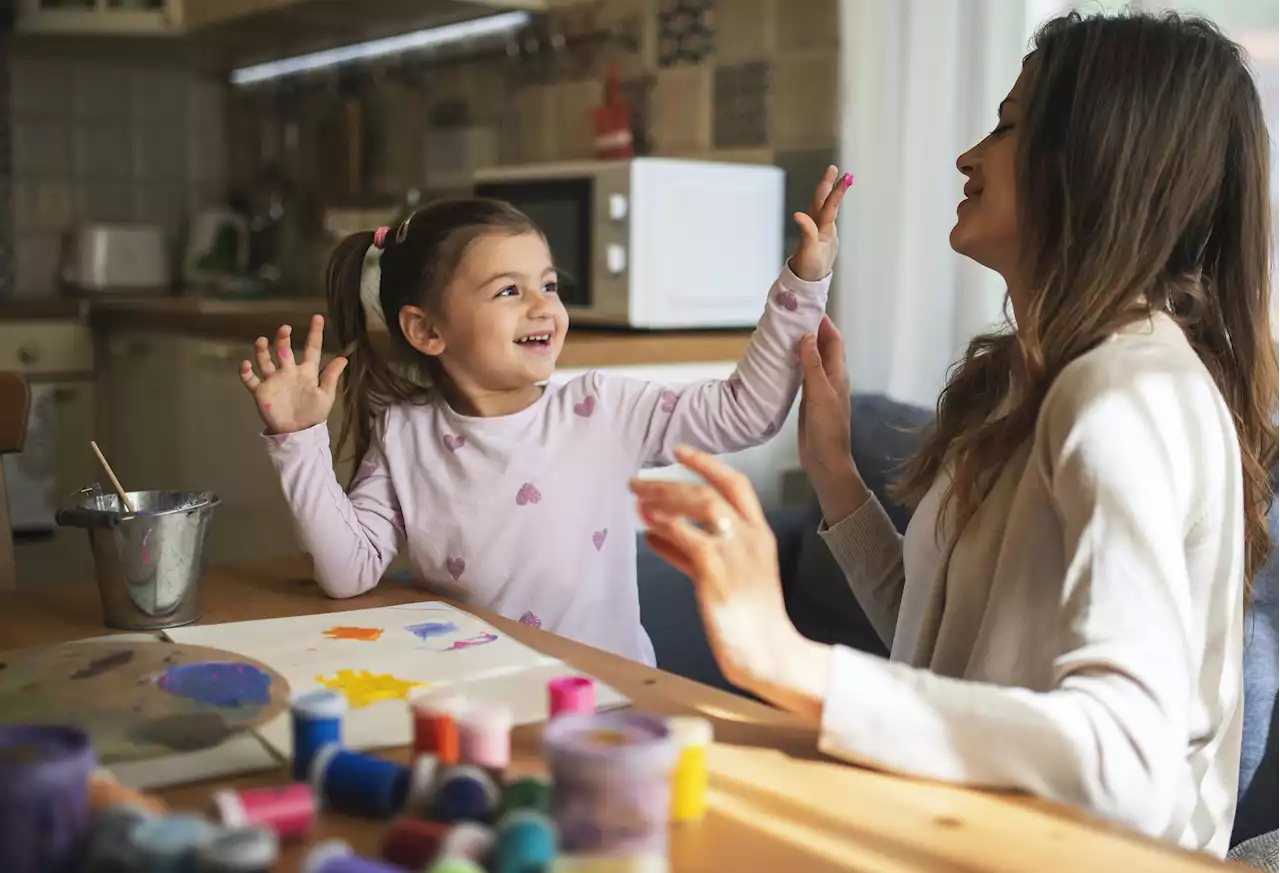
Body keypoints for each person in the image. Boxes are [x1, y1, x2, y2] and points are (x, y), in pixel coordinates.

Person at [629, 10, 1279, 856]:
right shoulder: (1041, 379)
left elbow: (1130, 758)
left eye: (1009, 126)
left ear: (1095, 159)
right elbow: (946, 654)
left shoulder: (1126, 396)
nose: (970, 155)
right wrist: (830, 467)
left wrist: (790, 662)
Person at [237, 173, 849, 666]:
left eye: (549, 285)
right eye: (509, 291)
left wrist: (805, 281)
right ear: (425, 329)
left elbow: (746, 411)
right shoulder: (403, 434)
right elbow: (347, 574)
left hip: (607, 698)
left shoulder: (604, 409)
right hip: (476, 697)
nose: (543, 306)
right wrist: (299, 440)